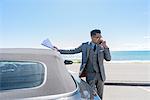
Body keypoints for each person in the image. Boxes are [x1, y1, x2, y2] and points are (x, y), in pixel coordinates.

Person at [55, 29, 111, 99]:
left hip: (101, 75)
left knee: (100, 95)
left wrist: (106, 47)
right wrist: (59, 50)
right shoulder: (84, 46)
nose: (100, 39)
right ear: (92, 37)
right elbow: (73, 51)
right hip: (90, 75)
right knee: (92, 95)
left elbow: (108, 59)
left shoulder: (102, 46)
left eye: (100, 37)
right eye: (97, 37)